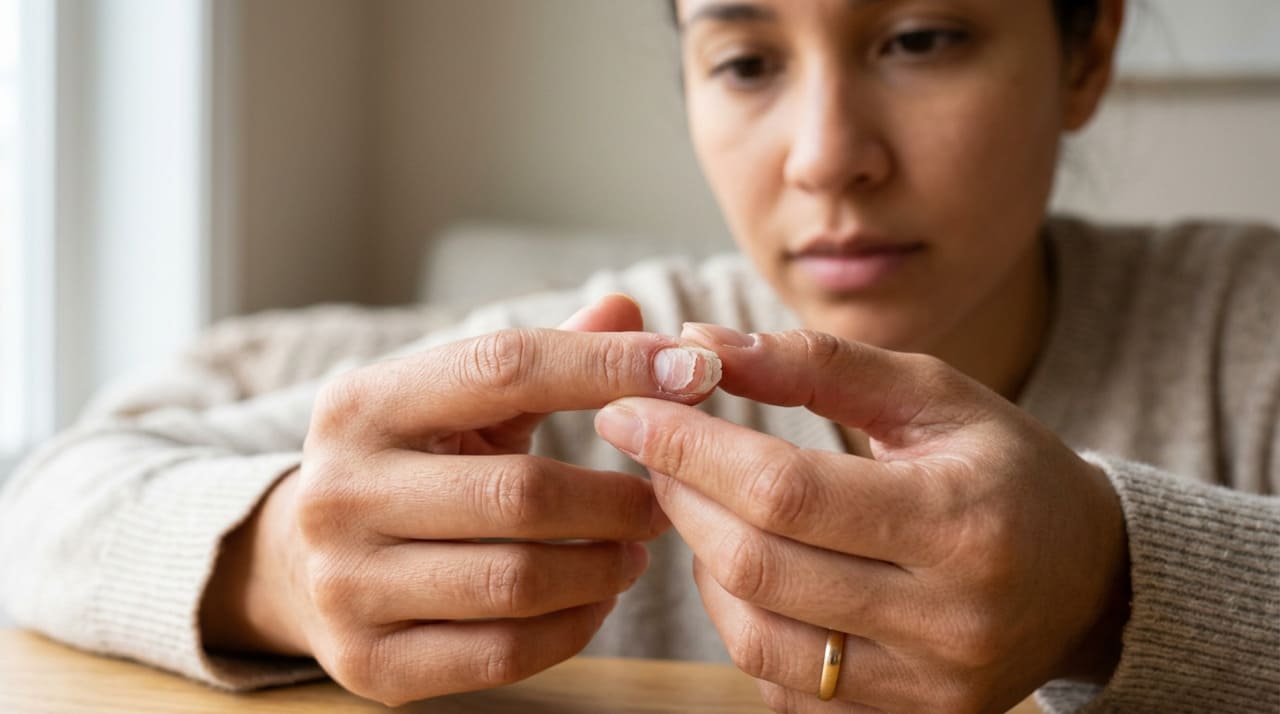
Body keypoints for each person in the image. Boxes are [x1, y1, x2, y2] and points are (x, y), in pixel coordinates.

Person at [2, 0, 1277, 711]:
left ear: (1086, 51)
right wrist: (282, 562)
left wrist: (1111, 584)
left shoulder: (1245, 328)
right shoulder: (603, 358)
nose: (826, 154)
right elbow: (45, 500)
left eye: (920, 38)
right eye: (744, 61)